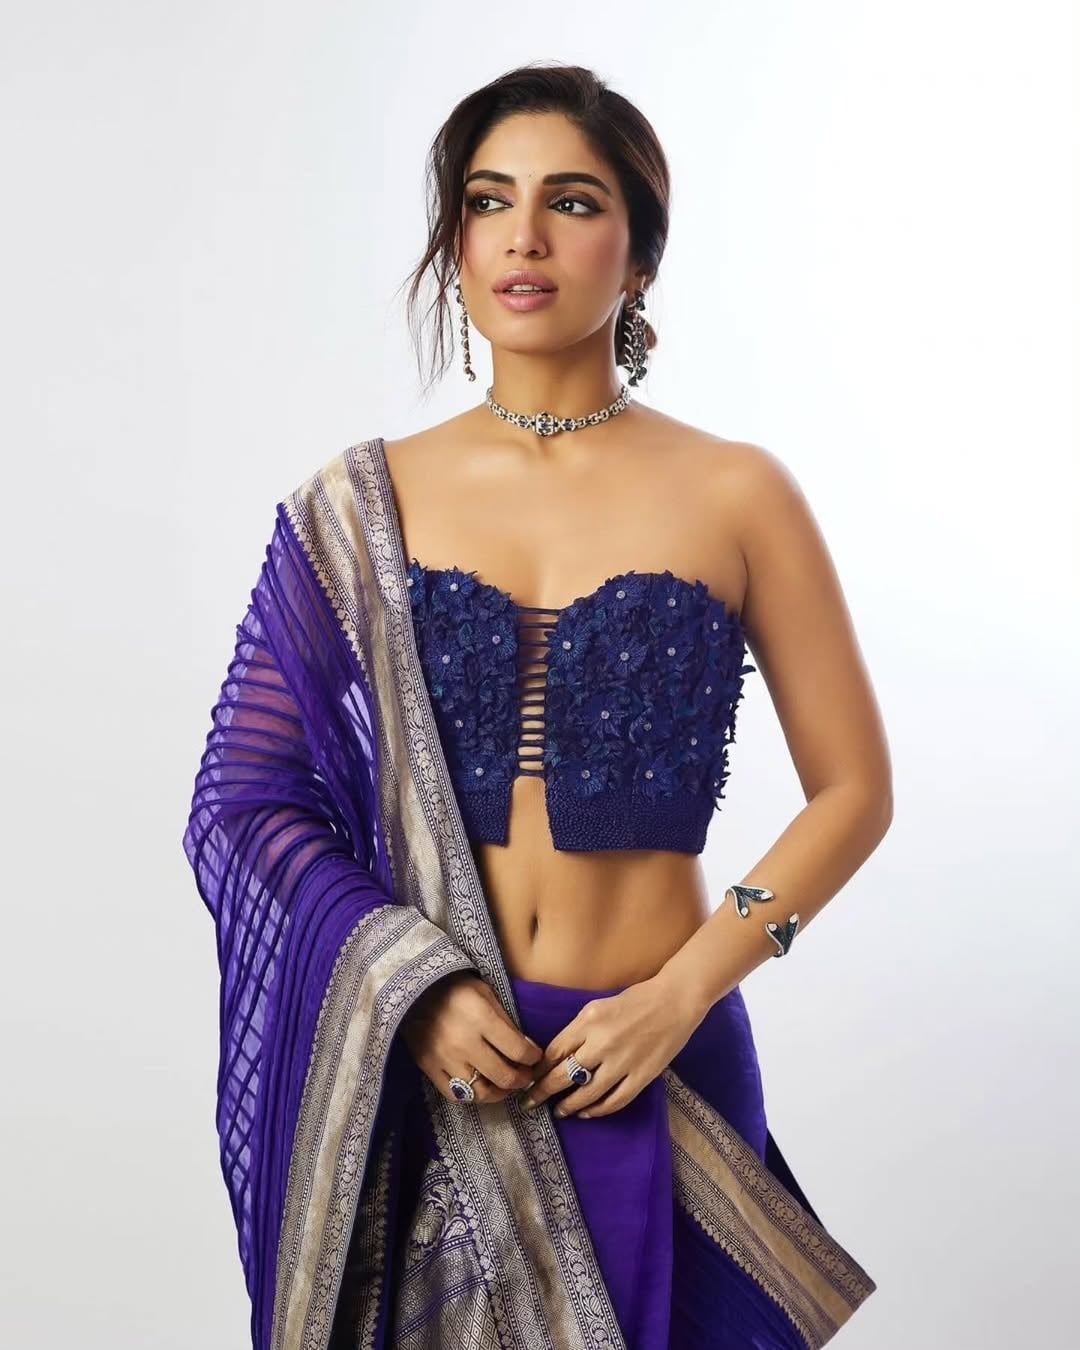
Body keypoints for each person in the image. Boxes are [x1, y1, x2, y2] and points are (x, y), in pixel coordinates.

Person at [182, 62, 892, 1350]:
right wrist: (413, 990)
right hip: (448, 1065)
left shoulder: (738, 494)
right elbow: (244, 800)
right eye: (487, 200)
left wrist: (683, 994)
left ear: (640, 252)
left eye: (571, 201)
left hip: (654, 1056)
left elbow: (854, 793)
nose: (523, 236)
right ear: (455, 243)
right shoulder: (361, 507)